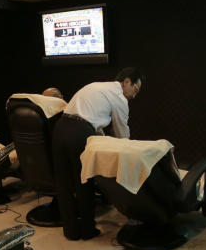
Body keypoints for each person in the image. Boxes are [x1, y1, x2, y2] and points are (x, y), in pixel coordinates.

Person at [52, 67, 144, 241]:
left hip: (60, 128)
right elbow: (122, 134)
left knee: (63, 183)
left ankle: (70, 231)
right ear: (126, 82)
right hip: (79, 133)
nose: (134, 95)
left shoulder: (96, 86)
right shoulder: (119, 98)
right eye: (135, 89)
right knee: (84, 182)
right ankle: (87, 230)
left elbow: (93, 121)